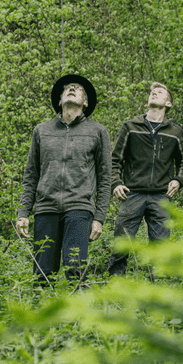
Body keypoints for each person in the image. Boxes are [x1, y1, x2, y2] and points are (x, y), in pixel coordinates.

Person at [17, 74, 111, 281]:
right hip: (45, 209)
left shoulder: (98, 131)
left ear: (85, 102)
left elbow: (105, 178)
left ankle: (79, 314)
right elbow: (31, 175)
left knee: (76, 270)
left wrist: (99, 218)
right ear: (59, 101)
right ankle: (41, 311)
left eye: (77, 88)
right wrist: (23, 212)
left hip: (80, 208)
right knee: (42, 273)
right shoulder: (42, 130)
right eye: (67, 88)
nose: (71, 88)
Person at [108, 82, 183, 277]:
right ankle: (114, 291)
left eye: (160, 92)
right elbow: (114, 160)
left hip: (161, 197)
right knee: (122, 246)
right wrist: (116, 183)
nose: (154, 93)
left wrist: (179, 180)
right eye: (153, 92)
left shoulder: (175, 132)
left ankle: (159, 297)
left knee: (161, 251)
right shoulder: (130, 127)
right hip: (132, 194)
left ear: (168, 103)